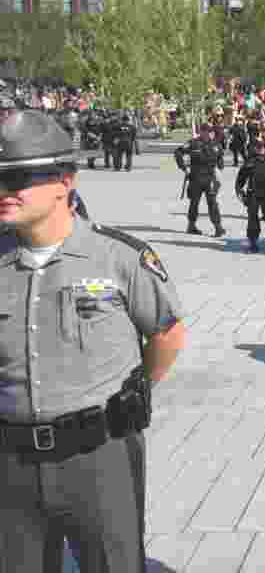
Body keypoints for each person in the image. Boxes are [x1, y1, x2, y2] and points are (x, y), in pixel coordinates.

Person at [0, 110, 186, 572]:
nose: (5, 192)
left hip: (98, 456)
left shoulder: (118, 258)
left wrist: (135, 389)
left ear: (65, 180)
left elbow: (166, 331)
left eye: (18, 178)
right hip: (12, 462)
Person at [174, 124, 226, 237]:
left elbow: (220, 158)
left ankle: (218, 227)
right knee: (194, 203)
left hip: (210, 178)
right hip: (195, 177)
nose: (208, 134)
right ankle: (191, 226)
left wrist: (220, 166)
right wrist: (184, 168)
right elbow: (178, 152)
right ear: (201, 132)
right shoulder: (193, 143)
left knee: (212, 203)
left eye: (210, 131)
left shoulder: (216, 144)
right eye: (206, 131)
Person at [235, 139, 265, 253]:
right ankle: (253, 242)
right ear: (255, 149)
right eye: (258, 147)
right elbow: (240, 179)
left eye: (262, 147)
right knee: (252, 218)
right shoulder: (250, 162)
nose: (261, 149)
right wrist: (240, 192)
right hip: (254, 194)